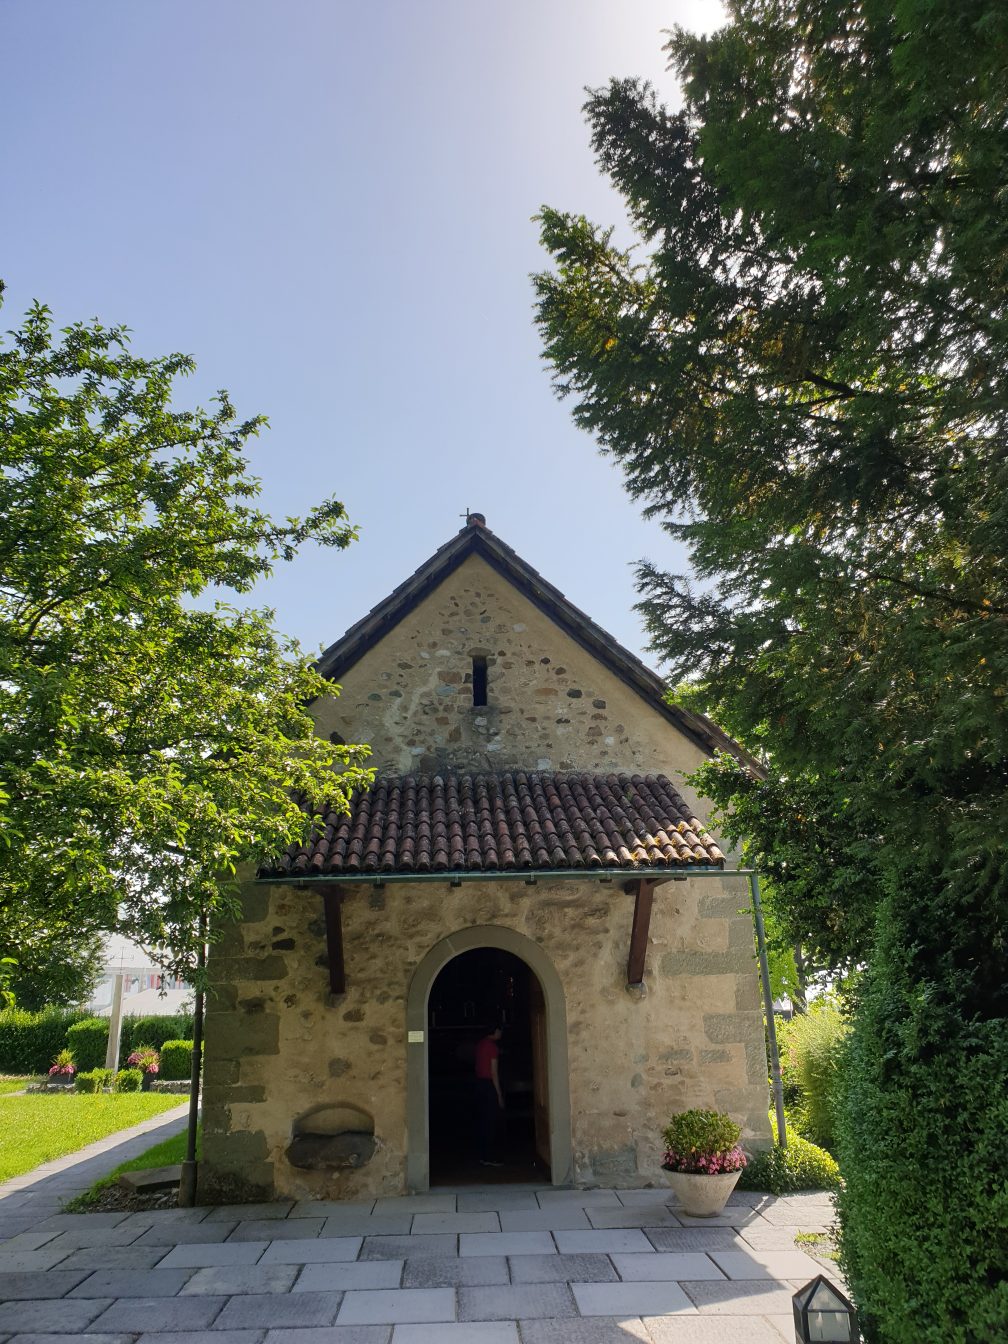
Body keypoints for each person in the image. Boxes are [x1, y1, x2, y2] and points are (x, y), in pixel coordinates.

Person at [474, 1023, 504, 1166]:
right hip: (488, 1085)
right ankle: (490, 1156)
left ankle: (482, 1154)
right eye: (499, 1030)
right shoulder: (492, 1048)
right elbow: (494, 1072)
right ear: (494, 1031)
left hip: (479, 1084)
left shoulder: (480, 1044)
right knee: (491, 1121)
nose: (500, 1033)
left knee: (483, 1120)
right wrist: (499, 1094)